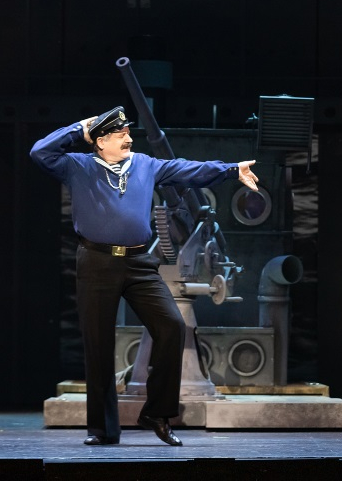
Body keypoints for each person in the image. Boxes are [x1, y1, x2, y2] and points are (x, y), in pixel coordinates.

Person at [30, 106, 259, 446]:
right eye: (120, 135)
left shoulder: (144, 164)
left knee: (172, 326)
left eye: (128, 134)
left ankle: (157, 413)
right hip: (97, 262)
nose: (128, 139)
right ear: (100, 141)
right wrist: (79, 128)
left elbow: (187, 169)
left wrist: (231, 170)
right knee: (98, 344)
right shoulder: (77, 166)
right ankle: (104, 430)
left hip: (139, 263)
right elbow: (40, 152)